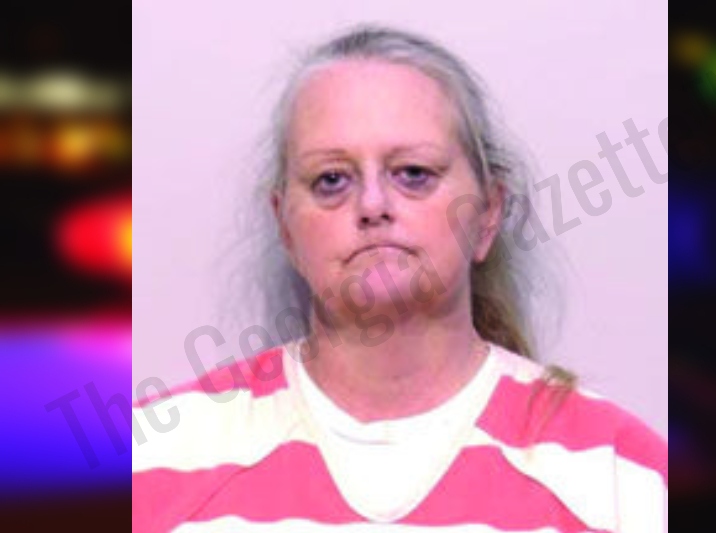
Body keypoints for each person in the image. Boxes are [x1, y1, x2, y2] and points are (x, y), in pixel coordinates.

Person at [133, 24, 667, 532]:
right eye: (331, 180)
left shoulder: (625, 480)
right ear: (286, 228)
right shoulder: (152, 459)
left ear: (488, 213)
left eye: (414, 174)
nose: (372, 205)